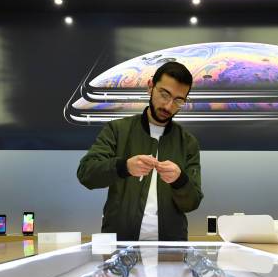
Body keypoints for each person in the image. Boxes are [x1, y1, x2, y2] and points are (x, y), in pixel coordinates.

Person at [77, 61, 203, 241]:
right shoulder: (117, 130)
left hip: (170, 248)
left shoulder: (188, 143)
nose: (168, 106)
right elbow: (86, 173)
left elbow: (192, 202)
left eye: (178, 100)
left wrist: (180, 180)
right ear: (150, 87)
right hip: (120, 245)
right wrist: (124, 167)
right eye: (164, 94)